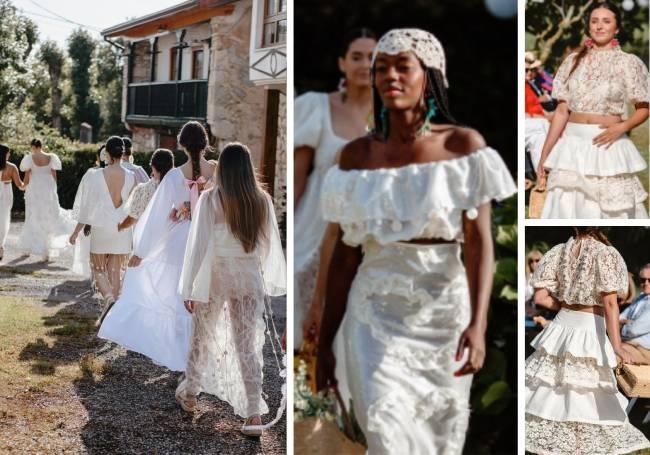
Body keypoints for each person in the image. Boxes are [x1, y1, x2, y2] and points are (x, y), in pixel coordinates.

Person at [316, 29, 517, 453]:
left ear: (429, 75)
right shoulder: (355, 157)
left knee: (438, 440)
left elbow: (479, 245)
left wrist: (478, 326)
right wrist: (325, 344)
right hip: (373, 313)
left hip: (444, 314)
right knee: (386, 433)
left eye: (402, 66)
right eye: (381, 69)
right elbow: (344, 258)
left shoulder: (463, 147)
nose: (390, 76)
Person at [175, 142, 286, 437]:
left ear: (222, 167)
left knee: (202, 335)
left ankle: (190, 393)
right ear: (248, 168)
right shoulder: (261, 201)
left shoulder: (212, 199)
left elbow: (197, 247)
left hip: (215, 277)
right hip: (247, 279)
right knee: (246, 345)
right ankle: (252, 414)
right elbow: (269, 249)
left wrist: (189, 287)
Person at [98, 121, 216, 372]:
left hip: (181, 239)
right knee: (202, 295)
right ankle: (201, 356)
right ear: (205, 143)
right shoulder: (216, 171)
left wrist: (141, 252)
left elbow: (157, 217)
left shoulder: (174, 176)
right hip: (209, 239)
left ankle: (179, 354)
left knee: (175, 297)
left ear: (182, 145)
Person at [525, 228, 650, 454]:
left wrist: (566, 308)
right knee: (585, 400)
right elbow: (611, 304)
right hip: (588, 329)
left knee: (550, 394)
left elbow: (541, 298)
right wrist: (617, 345)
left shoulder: (557, 252)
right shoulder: (606, 254)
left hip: (560, 328)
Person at [294, 28, 377, 350]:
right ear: (342, 63)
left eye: (373, 58)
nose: (365, 64)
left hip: (364, 228)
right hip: (315, 221)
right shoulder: (316, 106)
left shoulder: (392, 120)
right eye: (357, 56)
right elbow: (299, 176)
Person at [537, 2, 649, 218]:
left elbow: (644, 107)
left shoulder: (628, 63)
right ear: (589, 26)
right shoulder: (572, 61)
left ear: (616, 28)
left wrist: (622, 127)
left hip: (607, 144)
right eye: (594, 21)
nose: (599, 26)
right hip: (572, 146)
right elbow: (561, 112)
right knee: (567, 206)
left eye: (606, 21)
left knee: (609, 209)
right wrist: (545, 154)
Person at [69, 137, 136, 324]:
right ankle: (113, 318)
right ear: (122, 153)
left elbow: (86, 207)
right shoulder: (131, 177)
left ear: (107, 152)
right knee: (115, 271)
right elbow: (131, 207)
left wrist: (76, 232)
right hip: (121, 229)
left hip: (102, 228)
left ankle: (108, 298)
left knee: (98, 269)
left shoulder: (95, 175)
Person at [17, 139, 75, 260]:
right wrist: (54, 192)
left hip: (34, 191)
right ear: (41, 146)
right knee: (48, 218)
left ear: (33, 146)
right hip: (48, 191)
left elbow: (27, 176)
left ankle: (28, 248)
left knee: (33, 217)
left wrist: (23, 186)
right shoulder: (51, 157)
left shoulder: (29, 158)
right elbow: (54, 177)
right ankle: (46, 252)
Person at [118, 148, 175, 231]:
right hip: (171, 234)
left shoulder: (143, 189)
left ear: (153, 166)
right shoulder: (178, 185)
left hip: (150, 234)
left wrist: (120, 226)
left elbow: (132, 219)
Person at [619, 264, 650, 364]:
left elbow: (634, 330)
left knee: (613, 355)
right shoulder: (640, 298)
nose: (646, 283)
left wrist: (621, 326)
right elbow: (619, 318)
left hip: (644, 350)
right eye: (643, 280)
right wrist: (624, 322)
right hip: (630, 345)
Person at [0, 144, 25, 261]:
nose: (9, 154)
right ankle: (0, 246)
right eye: (8, 152)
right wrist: (29, 177)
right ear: (5, 154)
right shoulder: (12, 167)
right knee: (4, 219)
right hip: (6, 193)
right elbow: (20, 186)